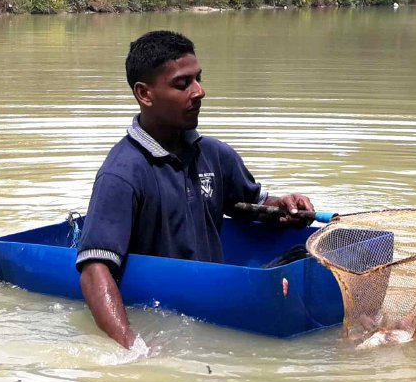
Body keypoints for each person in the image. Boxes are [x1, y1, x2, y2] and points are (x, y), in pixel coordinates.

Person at [76, 30, 314, 348]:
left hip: (214, 309)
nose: (199, 91)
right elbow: (95, 269)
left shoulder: (216, 155)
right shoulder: (122, 174)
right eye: (182, 83)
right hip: (165, 318)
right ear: (144, 94)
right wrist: (132, 348)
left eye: (198, 78)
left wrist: (284, 206)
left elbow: (254, 204)